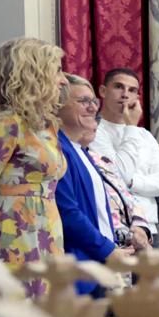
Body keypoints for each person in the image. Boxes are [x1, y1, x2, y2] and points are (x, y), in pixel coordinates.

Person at [0, 38, 68, 294]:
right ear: (34, 74)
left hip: (47, 226)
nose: (63, 79)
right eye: (56, 70)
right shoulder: (7, 122)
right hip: (12, 230)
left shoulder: (48, 127)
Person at [54, 75, 125, 284]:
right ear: (58, 105)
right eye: (83, 101)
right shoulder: (59, 149)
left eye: (94, 101)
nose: (93, 108)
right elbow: (68, 212)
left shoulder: (80, 151)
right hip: (78, 265)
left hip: (97, 262)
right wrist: (107, 250)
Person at [94, 68, 159, 248]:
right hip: (115, 226)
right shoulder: (95, 130)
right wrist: (131, 127)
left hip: (150, 227)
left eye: (132, 90)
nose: (125, 95)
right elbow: (117, 173)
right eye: (119, 87)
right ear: (103, 91)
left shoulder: (144, 135)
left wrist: (131, 182)